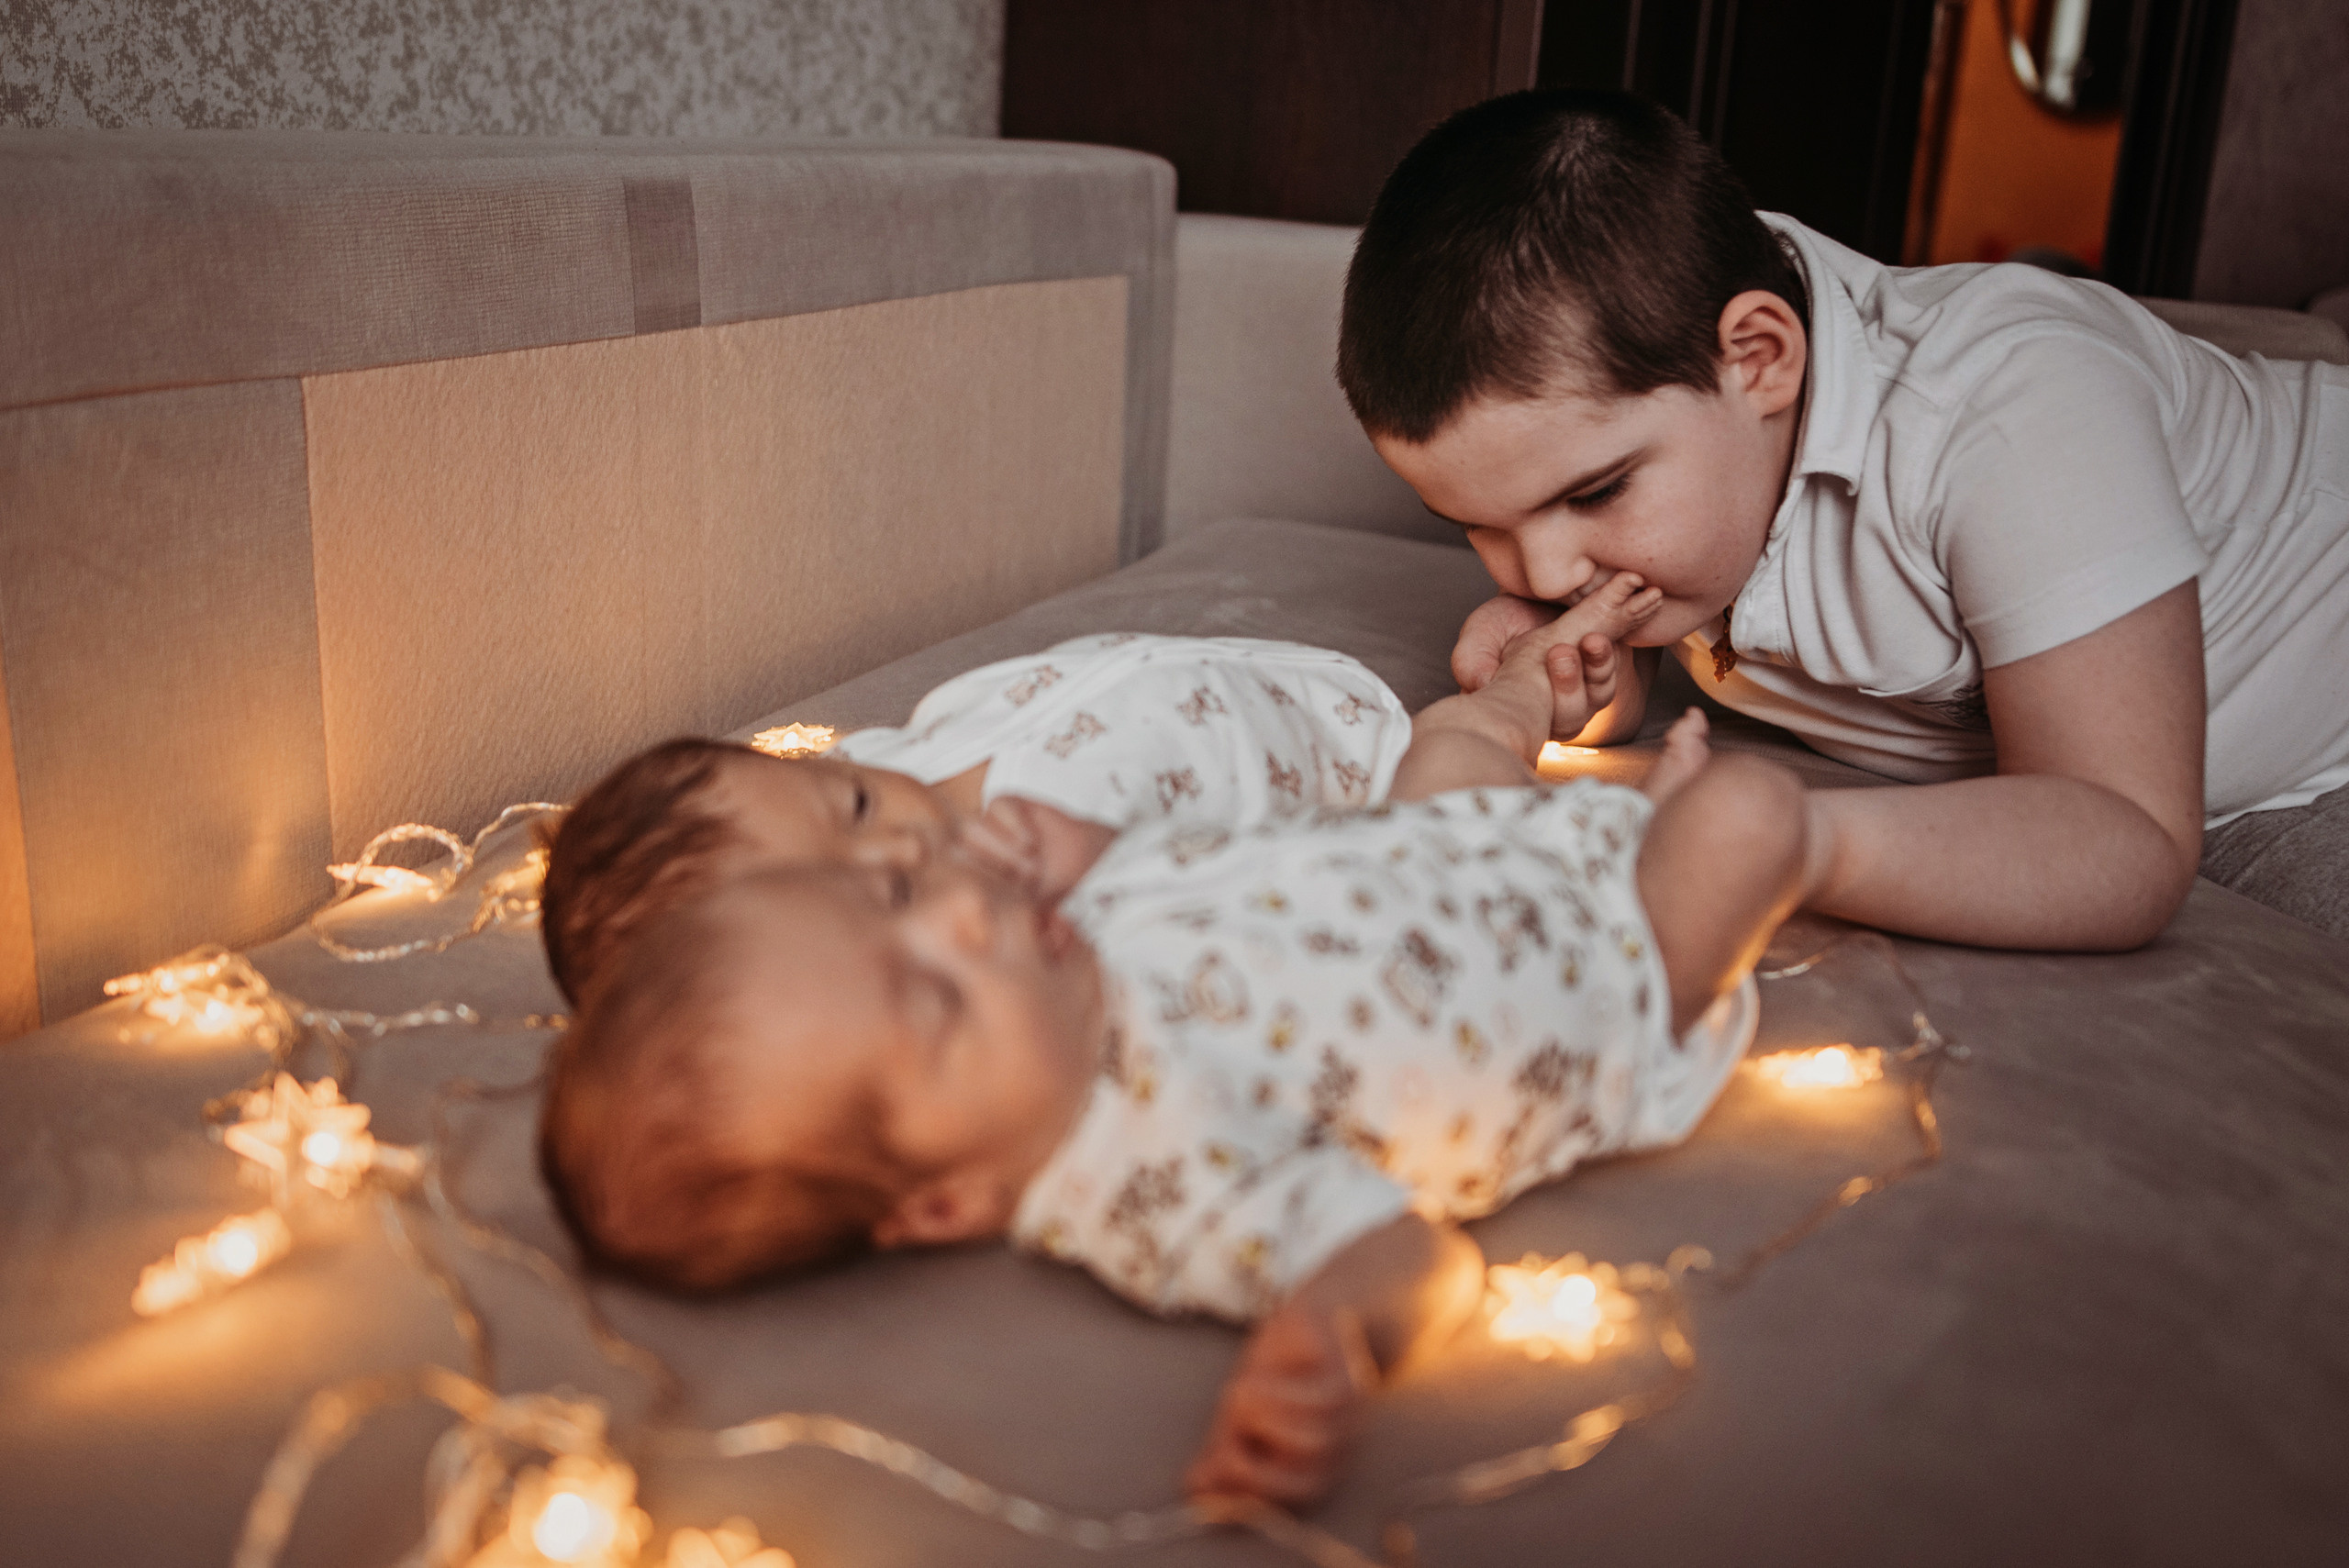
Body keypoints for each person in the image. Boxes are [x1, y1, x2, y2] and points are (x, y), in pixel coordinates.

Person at [539, 579, 1815, 1507]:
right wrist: (1335, 1331)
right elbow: (1406, 1251)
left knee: (1477, 745)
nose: (964, 918)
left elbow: (1201, 854)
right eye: (936, 1001)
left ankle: (1580, 741)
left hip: (1459, 837)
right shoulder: (1154, 1176)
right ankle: (1712, 848)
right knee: (1755, 814)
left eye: (901, 895)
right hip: (1598, 966)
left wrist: (1083, 848)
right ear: (943, 1201)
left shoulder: (1054, 947)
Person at [1338, 89, 2349, 943]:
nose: (1545, 573)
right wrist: (1593, 685)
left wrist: (1799, 840)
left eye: (1594, 494)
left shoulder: (2013, 414)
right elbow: (1665, 633)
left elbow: (2124, 834)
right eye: (1475, 523)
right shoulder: (1689, 429)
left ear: (1759, 359)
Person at [539, 631, 1424, 1008]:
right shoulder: (1026, 886)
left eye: (854, 804)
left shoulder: (888, 762)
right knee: (1462, 766)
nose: (899, 840)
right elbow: (1200, 912)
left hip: (1260, 667)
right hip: (1361, 765)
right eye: (870, 883)